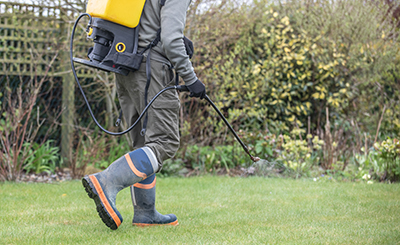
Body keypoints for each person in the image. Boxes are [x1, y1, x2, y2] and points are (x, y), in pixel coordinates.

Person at [82, 0, 206, 230]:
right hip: (152, 69)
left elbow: (148, 25)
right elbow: (170, 40)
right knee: (164, 142)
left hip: (124, 64)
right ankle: (106, 181)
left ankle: (145, 213)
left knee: (143, 142)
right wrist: (192, 79)